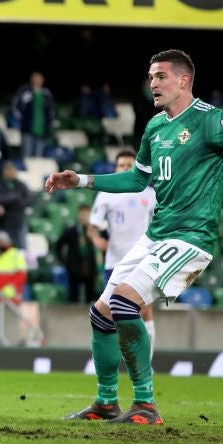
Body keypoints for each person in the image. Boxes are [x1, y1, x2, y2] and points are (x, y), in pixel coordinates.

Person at [46, 49, 223, 425]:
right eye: (151, 76)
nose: (153, 83)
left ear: (184, 80)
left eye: (161, 76)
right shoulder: (155, 126)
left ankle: (146, 405)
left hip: (190, 239)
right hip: (155, 236)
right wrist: (82, 181)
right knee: (101, 314)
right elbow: (138, 179)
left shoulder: (211, 121)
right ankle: (105, 402)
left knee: (123, 304)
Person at [87, 150, 157, 352]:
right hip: (115, 261)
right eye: (121, 165)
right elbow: (93, 226)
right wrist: (96, 239)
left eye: (129, 165)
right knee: (109, 312)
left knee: (145, 309)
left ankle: (147, 362)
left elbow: (158, 223)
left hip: (142, 260)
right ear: (115, 169)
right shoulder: (106, 195)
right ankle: (112, 357)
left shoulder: (150, 193)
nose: (125, 168)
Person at [56, 204, 99, 304]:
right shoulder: (71, 231)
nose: (84, 217)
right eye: (82, 215)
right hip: (75, 268)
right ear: (78, 216)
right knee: (73, 295)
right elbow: (59, 244)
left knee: (90, 295)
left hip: (91, 268)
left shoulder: (95, 231)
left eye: (86, 214)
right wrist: (64, 260)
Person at [11, 72, 54, 160]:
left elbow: (51, 111)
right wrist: (22, 120)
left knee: (38, 157)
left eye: (39, 79)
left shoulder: (46, 94)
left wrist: (49, 125)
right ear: (31, 79)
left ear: (43, 80)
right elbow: (15, 107)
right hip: (28, 129)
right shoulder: (25, 91)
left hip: (42, 130)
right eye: (35, 78)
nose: (37, 81)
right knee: (27, 156)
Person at [0, 160, 31, 251]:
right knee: (3, 250)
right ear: (4, 172)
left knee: (21, 249)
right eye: (8, 170)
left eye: (13, 170)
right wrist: (14, 197)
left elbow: (27, 200)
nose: (11, 172)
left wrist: (10, 200)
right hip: (4, 223)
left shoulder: (21, 185)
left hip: (19, 222)